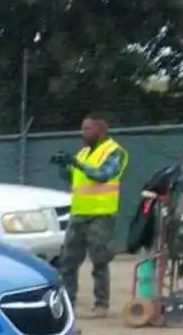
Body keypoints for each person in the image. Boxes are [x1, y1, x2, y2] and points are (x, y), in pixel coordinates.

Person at [51, 115, 128, 316]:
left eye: (87, 129)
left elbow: (102, 175)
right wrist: (63, 165)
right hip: (79, 213)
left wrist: (75, 164)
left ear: (100, 131)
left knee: (99, 260)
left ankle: (101, 303)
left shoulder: (114, 152)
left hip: (101, 214)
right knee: (68, 261)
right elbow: (72, 177)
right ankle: (68, 304)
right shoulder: (84, 152)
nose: (82, 133)